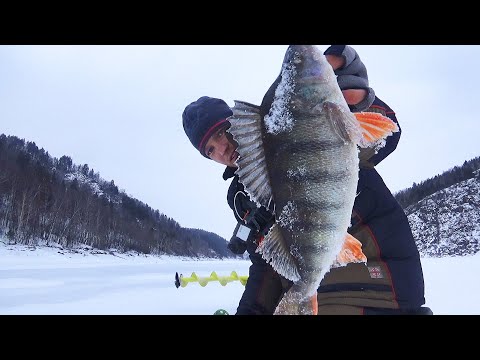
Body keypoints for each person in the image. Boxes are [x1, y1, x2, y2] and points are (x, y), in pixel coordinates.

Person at [182, 45, 432, 315]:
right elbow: (266, 266)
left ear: (238, 122)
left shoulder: (294, 129)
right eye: (209, 150)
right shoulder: (242, 197)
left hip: (378, 286)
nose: (221, 148)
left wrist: (357, 101)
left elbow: (386, 135)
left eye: (220, 133)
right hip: (317, 295)